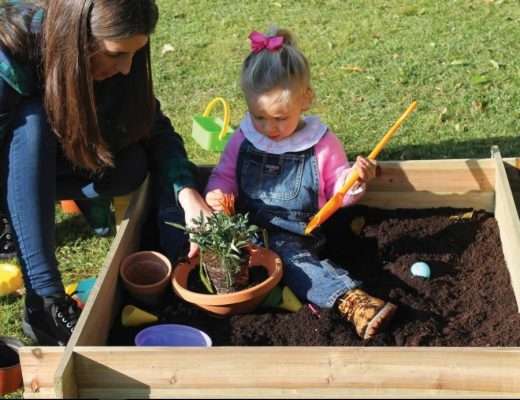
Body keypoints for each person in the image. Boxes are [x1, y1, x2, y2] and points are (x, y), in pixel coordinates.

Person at [0, 0, 212, 346]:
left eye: (134, 54)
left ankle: (22, 212)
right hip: (11, 156)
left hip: (46, 160)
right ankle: (45, 301)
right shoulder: (12, 50)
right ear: (77, 38)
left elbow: (155, 128)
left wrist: (188, 196)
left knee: (131, 165)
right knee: (32, 119)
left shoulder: (114, 65)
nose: (127, 68)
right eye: (116, 54)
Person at [205, 28, 397, 340]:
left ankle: (350, 299)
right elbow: (225, 175)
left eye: (280, 117)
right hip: (244, 230)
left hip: (294, 235)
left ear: (305, 99)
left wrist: (355, 179)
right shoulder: (245, 137)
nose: (269, 128)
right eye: (259, 117)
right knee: (217, 255)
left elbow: (338, 189)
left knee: (293, 261)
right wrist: (217, 195)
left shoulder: (320, 144)